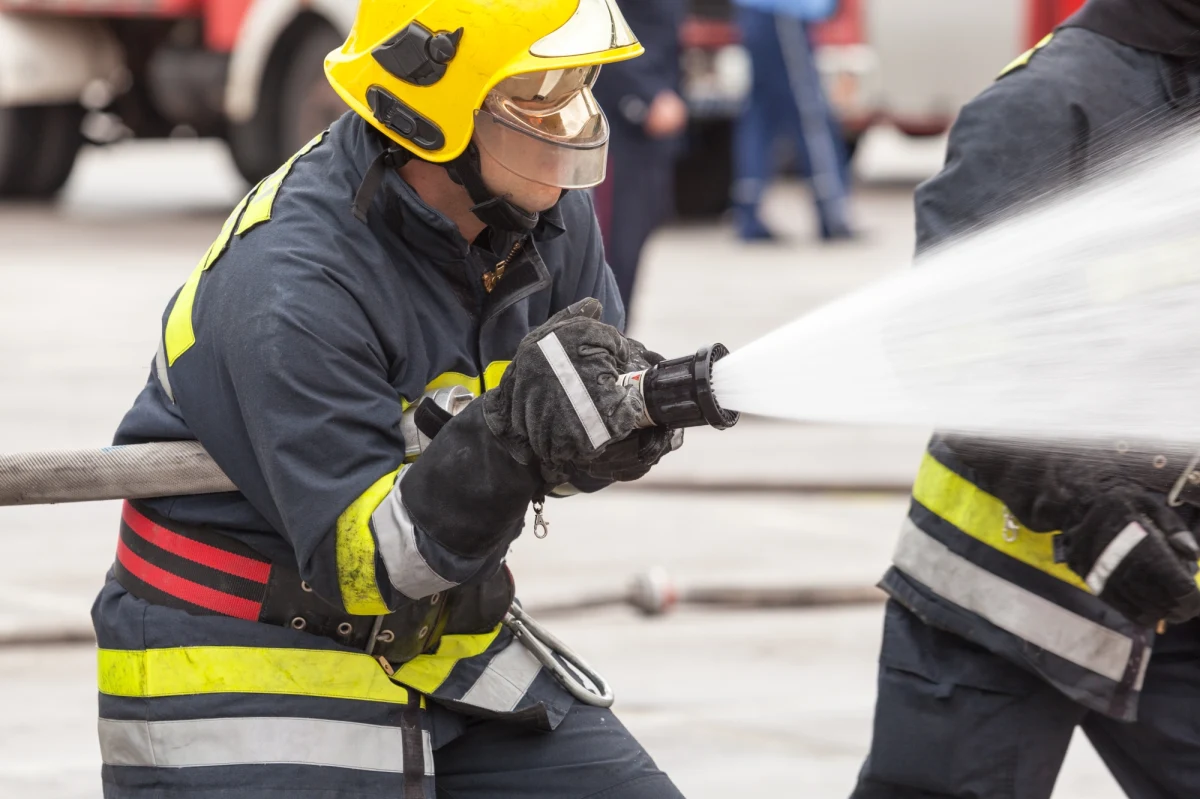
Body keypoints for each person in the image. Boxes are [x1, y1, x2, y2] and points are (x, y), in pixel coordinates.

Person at [92, 2, 689, 797]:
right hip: (239, 657)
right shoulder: (289, 284)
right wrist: (513, 439)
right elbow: (371, 561)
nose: (574, 119)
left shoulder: (543, 217)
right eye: (539, 90)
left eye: (580, 82)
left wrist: (602, 430)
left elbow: (548, 450)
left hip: (435, 638)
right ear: (432, 111)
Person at [852, 1, 1200, 797]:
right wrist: (1089, 507)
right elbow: (946, 347)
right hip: (1003, 599)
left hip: (1173, 584)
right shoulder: (1046, 105)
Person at [591, 0, 689, 316]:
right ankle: (598, 345)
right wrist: (645, 97)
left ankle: (614, 343)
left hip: (653, 125)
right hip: (621, 120)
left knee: (634, 241)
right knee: (611, 247)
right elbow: (599, 23)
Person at [730, 0, 854, 242]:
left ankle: (748, 214)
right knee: (809, 113)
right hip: (784, 12)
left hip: (761, 11)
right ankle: (831, 214)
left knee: (761, 114)